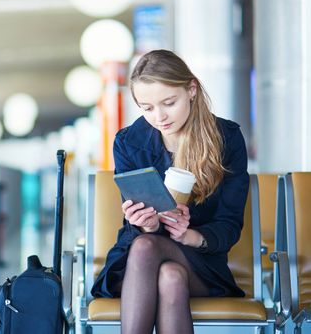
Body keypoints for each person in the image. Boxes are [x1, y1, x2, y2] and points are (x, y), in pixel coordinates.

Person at [90, 50, 249, 334]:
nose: (159, 116)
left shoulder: (226, 139)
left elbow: (229, 223)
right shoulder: (129, 142)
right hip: (138, 259)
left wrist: (190, 236)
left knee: (159, 259)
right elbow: (133, 219)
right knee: (166, 272)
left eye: (168, 103)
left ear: (191, 89)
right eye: (147, 108)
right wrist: (143, 224)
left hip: (201, 263)